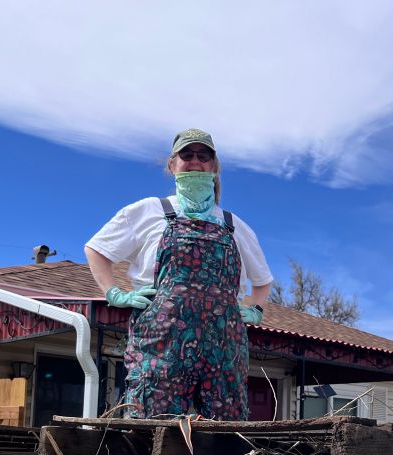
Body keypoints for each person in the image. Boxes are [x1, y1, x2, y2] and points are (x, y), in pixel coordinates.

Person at [85, 128, 272, 420]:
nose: (195, 161)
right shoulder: (149, 211)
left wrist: (255, 309)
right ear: (173, 165)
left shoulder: (234, 225)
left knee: (228, 430)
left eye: (203, 155)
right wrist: (114, 292)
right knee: (152, 425)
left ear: (214, 166)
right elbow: (97, 250)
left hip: (223, 350)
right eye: (186, 155)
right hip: (160, 346)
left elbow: (263, 280)